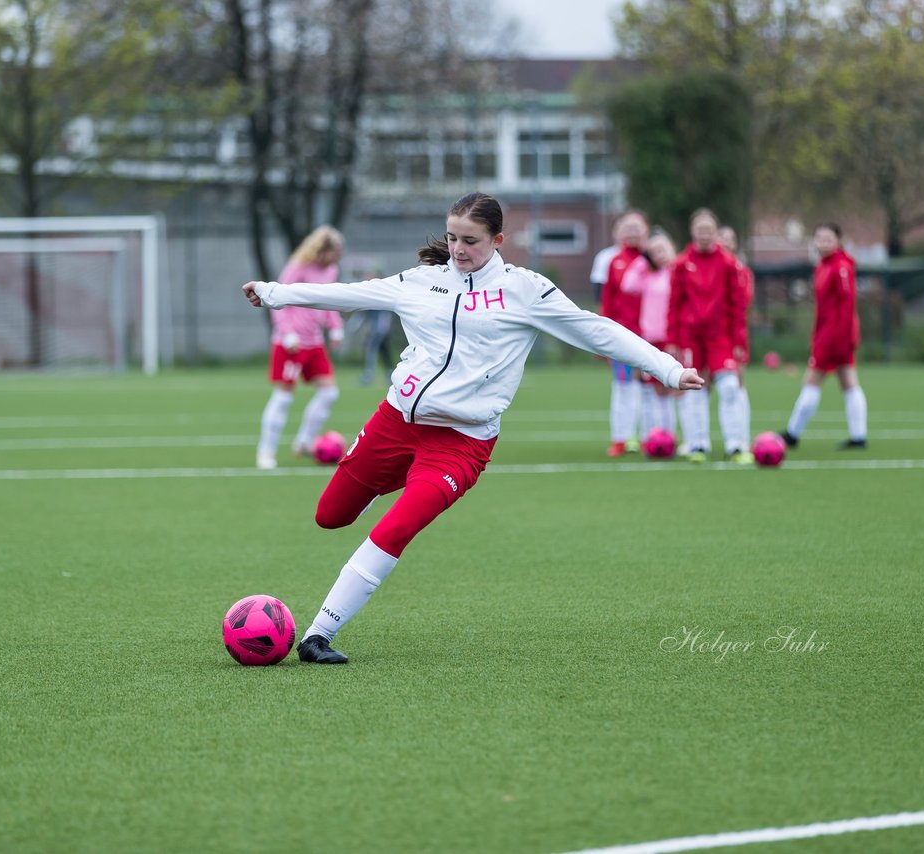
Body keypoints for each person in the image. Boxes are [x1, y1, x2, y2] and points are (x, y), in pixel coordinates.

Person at [242, 192, 705, 664]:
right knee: (331, 515)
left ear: (498, 240)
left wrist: (668, 369)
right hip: (397, 422)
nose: (459, 249)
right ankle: (400, 473)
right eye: (452, 238)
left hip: (461, 444)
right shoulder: (422, 281)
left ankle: (318, 635)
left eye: (471, 241)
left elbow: (598, 330)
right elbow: (351, 295)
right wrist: (276, 293)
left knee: (395, 528)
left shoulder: (526, 290)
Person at [255, 225, 345, 470]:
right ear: (322, 249)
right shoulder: (298, 267)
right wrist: (287, 333)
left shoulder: (331, 269)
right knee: (284, 397)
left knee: (329, 393)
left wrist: (335, 326)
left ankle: (304, 443)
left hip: (314, 342)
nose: (338, 256)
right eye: (335, 251)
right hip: (291, 344)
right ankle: (266, 452)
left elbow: (329, 300)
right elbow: (278, 299)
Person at [667, 208, 752, 463]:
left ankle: (736, 444)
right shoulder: (681, 264)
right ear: (692, 232)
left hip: (720, 336)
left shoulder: (729, 263)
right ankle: (697, 444)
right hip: (690, 336)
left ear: (716, 233)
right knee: (694, 388)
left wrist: (739, 341)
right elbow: (674, 303)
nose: (704, 235)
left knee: (729, 387)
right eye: (700, 230)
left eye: (709, 230)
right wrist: (672, 339)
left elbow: (738, 305)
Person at [781, 222, 868, 449]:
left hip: (835, 337)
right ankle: (858, 437)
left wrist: (840, 339)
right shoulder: (823, 266)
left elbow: (847, 307)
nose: (823, 243)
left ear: (838, 241)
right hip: (828, 334)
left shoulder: (841, 267)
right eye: (819, 238)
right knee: (848, 381)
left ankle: (792, 434)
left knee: (811, 381)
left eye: (828, 239)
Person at [598, 211, 651, 456]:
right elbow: (608, 302)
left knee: (651, 387)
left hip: (652, 335)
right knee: (623, 387)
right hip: (623, 337)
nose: (632, 232)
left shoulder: (654, 260)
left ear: (646, 231)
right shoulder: (614, 261)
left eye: (637, 228)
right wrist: (603, 339)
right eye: (627, 228)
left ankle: (651, 437)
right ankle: (621, 438)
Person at [621, 230, 679, 442]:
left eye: (662, 250)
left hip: (671, 337)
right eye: (653, 252)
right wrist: (642, 261)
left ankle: (670, 435)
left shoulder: (677, 273)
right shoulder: (647, 275)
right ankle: (652, 436)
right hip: (651, 337)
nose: (659, 255)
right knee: (652, 389)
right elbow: (628, 285)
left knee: (670, 389)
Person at [718, 225, 754, 458]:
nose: (726, 243)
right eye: (722, 239)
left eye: (731, 239)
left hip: (732, 335)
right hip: (708, 336)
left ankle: (741, 438)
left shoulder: (740, 270)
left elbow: (743, 303)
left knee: (734, 385)